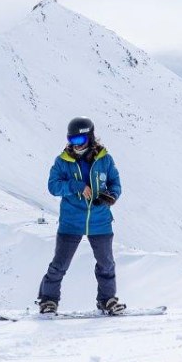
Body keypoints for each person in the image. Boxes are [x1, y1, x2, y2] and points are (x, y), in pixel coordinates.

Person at [37, 116, 125, 316]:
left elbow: (115, 183)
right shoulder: (62, 161)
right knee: (59, 264)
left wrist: (111, 196)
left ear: (90, 138)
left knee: (106, 264)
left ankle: (107, 300)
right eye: (72, 140)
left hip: (100, 220)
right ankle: (48, 300)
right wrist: (75, 186)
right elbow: (53, 186)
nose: (75, 145)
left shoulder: (105, 159)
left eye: (80, 141)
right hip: (71, 221)